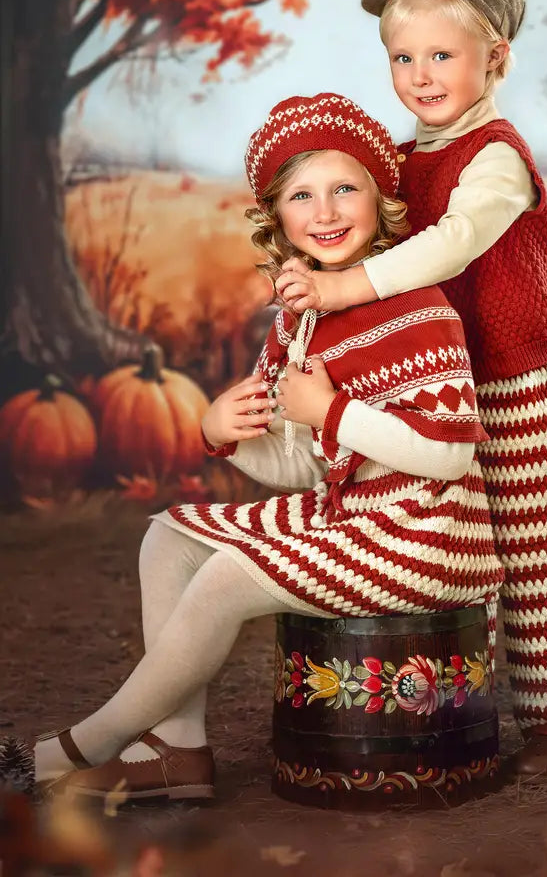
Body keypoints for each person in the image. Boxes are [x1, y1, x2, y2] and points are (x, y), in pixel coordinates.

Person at [25, 92, 504, 802]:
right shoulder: (297, 323)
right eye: (302, 195)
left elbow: (448, 456)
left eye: (346, 188)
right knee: (170, 537)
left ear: (380, 202)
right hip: (351, 518)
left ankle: (79, 746)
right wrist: (226, 435)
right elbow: (303, 465)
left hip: (426, 535)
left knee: (225, 577)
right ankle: (177, 752)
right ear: (276, 216)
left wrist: (331, 409)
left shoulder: (416, 306)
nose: (327, 211)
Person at [275, 0, 547, 783]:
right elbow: (357, 220)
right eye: (402, 59)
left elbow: (453, 242)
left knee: (530, 549)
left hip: (515, 377)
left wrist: (349, 284)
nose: (420, 77)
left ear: (493, 58)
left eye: (441, 57)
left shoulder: (494, 159)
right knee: (462, 542)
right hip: (437, 382)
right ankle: (464, 717)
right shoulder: (400, 158)